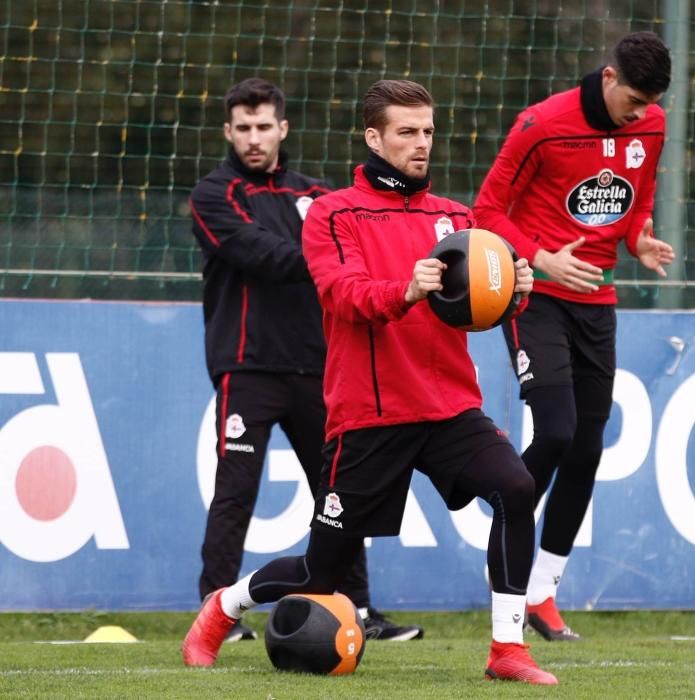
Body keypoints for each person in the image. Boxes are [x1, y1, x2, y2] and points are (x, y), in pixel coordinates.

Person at [182, 78, 558, 686]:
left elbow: (482, 309)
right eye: (407, 132)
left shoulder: (456, 218)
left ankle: (507, 651)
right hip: (370, 417)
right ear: (373, 137)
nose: (421, 144)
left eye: (428, 131)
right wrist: (404, 289)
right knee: (319, 575)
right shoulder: (332, 214)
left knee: (516, 489)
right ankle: (223, 605)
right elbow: (341, 294)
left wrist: (516, 292)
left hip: (448, 410)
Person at [189, 77, 422, 643]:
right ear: (228, 131)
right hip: (247, 368)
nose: (253, 138)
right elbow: (260, 254)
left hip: (319, 369)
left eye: (263, 126)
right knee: (236, 490)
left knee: (340, 494)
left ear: (282, 128)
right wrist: (329, 261)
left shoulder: (318, 196)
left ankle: (358, 609)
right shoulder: (213, 195)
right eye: (242, 128)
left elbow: (362, 250)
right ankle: (218, 611)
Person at [473, 31, 676, 641]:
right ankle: (509, 514)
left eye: (650, 103)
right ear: (609, 78)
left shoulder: (652, 124)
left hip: (597, 299)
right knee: (556, 430)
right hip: (534, 295)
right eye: (634, 99)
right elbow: (485, 211)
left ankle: (543, 595)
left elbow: (637, 201)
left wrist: (638, 237)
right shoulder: (541, 125)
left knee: (587, 445)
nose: (641, 113)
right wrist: (540, 258)